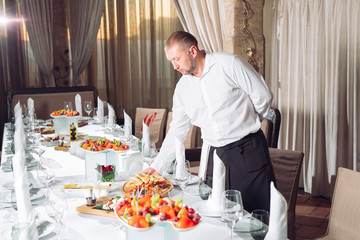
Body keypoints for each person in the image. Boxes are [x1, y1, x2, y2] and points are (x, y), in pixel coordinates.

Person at [144, 31, 275, 212]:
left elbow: (263, 96)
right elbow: (177, 130)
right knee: (218, 216)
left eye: (177, 59)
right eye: (171, 61)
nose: (174, 66)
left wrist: (249, 120)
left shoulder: (229, 64)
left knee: (256, 216)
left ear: (192, 51)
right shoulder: (182, 88)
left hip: (248, 151)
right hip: (215, 157)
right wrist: (157, 166)